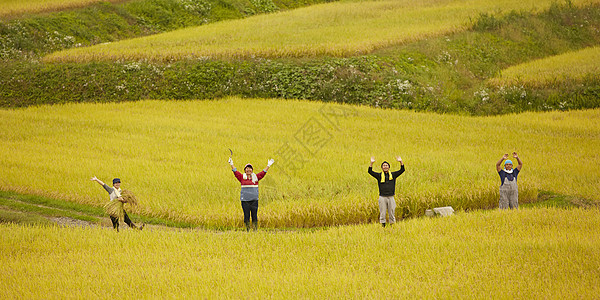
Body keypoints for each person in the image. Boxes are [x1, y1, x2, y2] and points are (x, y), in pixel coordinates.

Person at [229, 157, 274, 231]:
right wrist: (231, 164)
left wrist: (268, 165)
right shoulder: (241, 177)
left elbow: (263, 173)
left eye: (250, 168)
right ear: (245, 170)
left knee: (254, 216)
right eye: (247, 168)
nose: (248, 170)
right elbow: (235, 172)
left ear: (252, 170)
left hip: (254, 201)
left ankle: (255, 230)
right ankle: (248, 230)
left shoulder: (256, 177)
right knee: (246, 216)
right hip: (245, 201)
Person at [368, 156, 405, 227]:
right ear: (382, 167)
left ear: (389, 167)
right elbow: (370, 171)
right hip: (382, 197)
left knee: (391, 212)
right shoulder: (379, 175)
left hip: (391, 197)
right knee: (383, 212)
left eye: (386, 165)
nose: (385, 167)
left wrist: (400, 161)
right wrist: (371, 163)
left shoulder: (393, 175)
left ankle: (392, 226)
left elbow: (402, 170)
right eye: (384, 166)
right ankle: (383, 226)